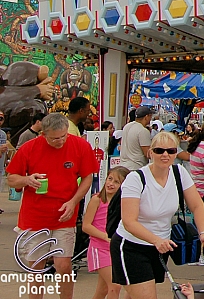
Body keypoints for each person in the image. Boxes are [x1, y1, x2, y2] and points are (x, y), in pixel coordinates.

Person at [8, 113, 100, 299]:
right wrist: (27, 179)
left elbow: (88, 177)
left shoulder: (80, 145)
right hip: (35, 216)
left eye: (63, 136)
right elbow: (11, 178)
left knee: (64, 265)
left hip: (64, 214)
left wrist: (73, 201)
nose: (60, 141)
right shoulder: (29, 148)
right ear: (43, 134)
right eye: (55, 138)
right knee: (36, 266)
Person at [112, 131, 204, 299]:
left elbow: (196, 205)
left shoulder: (179, 173)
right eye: (159, 150)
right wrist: (156, 240)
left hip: (161, 246)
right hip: (131, 246)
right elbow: (129, 221)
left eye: (171, 151)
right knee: (146, 295)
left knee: (135, 294)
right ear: (150, 152)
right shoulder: (136, 179)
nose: (165, 155)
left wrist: (202, 233)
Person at [83, 166, 131, 299]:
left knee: (102, 289)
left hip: (115, 249)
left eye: (116, 182)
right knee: (115, 286)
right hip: (99, 248)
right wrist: (106, 237)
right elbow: (86, 226)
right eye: (110, 179)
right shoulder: (97, 199)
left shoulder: (124, 202)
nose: (111, 184)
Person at [120, 106, 154, 171]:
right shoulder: (143, 131)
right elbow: (147, 153)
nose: (150, 119)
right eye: (150, 116)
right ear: (146, 117)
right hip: (136, 167)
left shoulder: (127, 126)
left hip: (123, 166)